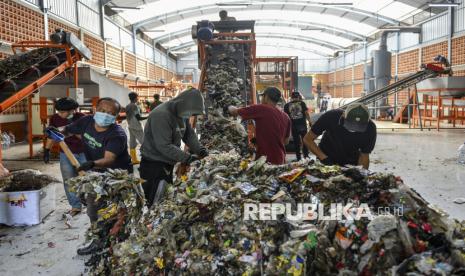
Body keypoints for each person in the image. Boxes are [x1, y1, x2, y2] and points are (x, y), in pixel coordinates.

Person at [51, 97, 133, 255]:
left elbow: (109, 159)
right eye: (103, 111)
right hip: (96, 173)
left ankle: (119, 236)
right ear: (96, 109)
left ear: (115, 117)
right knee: (93, 208)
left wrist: (91, 164)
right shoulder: (87, 121)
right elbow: (68, 130)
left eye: (111, 113)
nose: (105, 115)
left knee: (119, 209)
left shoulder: (117, 134)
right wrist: (56, 131)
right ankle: (99, 239)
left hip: (118, 176)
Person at [140, 88, 208, 207]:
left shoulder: (182, 112)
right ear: (181, 103)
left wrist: (200, 150)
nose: (189, 116)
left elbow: (188, 135)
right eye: (190, 113)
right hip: (154, 164)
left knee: (166, 196)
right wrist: (188, 158)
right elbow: (164, 146)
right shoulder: (161, 115)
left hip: (167, 162)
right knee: (154, 200)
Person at [227, 86, 291, 165]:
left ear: (266, 97)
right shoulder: (286, 116)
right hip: (280, 159)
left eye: (262, 96)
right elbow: (286, 141)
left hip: (265, 160)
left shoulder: (261, 108)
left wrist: (228, 106)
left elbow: (234, 111)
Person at [44, 97, 86, 216]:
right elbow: (52, 135)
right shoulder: (55, 118)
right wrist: (47, 150)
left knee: (88, 178)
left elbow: (85, 137)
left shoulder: (82, 117)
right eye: (59, 111)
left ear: (73, 110)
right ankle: (75, 206)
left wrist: (70, 127)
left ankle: (93, 204)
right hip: (66, 153)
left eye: (63, 112)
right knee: (68, 180)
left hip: (84, 152)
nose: (60, 114)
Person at [303, 103, 377, 169]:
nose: (353, 129)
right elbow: (308, 139)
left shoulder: (370, 129)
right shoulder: (331, 117)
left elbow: (364, 155)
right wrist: (324, 158)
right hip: (326, 156)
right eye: (351, 125)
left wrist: (363, 174)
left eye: (358, 127)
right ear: (343, 115)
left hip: (351, 162)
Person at [284, 91, 311, 161]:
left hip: (293, 127)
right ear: (298, 97)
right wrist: (310, 122)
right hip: (302, 126)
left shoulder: (287, 105)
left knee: (296, 142)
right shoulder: (302, 103)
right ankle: (306, 156)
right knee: (305, 141)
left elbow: (285, 117)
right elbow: (306, 113)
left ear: (291, 97)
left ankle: (298, 157)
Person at [125, 92, 147, 164]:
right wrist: (148, 116)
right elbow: (138, 117)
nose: (138, 98)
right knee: (144, 142)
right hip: (136, 126)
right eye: (137, 97)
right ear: (135, 98)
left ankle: (134, 160)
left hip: (130, 125)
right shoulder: (134, 106)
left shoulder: (127, 106)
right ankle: (147, 158)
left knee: (132, 142)